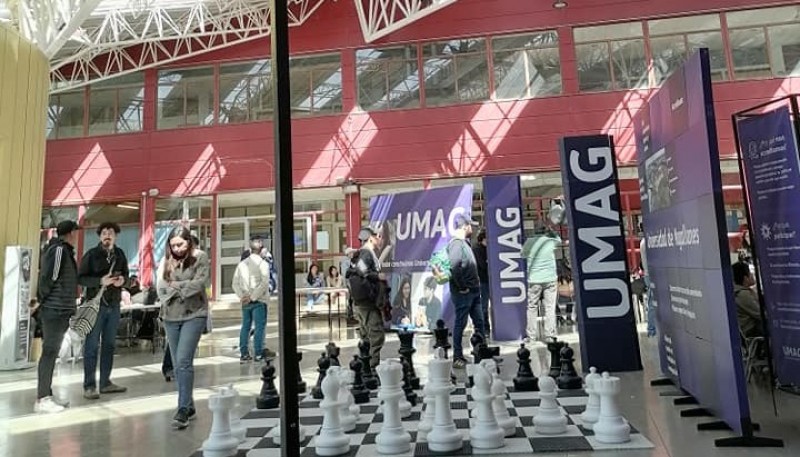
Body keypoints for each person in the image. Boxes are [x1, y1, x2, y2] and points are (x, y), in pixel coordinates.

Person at [157, 226, 210, 430]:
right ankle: (189, 405)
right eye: (173, 245)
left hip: (194, 314)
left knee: (183, 360)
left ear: (189, 242)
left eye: (180, 244)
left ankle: (182, 410)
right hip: (170, 315)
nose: (177, 249)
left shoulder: (200, 257)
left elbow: (200, 283)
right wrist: (180, 286)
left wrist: (178, 286)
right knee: (179, 365)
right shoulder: (166, 260)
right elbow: (161, 285)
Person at [78, 222, 129, 400]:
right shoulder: (91, 255)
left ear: (115, 236)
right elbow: (81, 278)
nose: (107, 235)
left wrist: (122, 280)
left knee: (109, 345)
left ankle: (106, 382)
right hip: (95, 305)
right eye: (104, 233)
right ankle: (89, 385)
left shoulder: (120, 254)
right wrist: (101, 281)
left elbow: (127, 276)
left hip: (113, 305)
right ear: (100, 236)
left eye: (111, 233)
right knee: (91, 346)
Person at [35, 220, 81, 414]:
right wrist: (42, 300)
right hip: (54, 309)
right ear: (70, 233)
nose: (77, 236)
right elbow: (49, 278)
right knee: (49, 352)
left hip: (61, 309)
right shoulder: (59, 251)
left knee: (52, 353)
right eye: (76, 233)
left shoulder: (66, 251)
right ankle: (42, 398)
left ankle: (47, 395)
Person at [433, 214, 485, 369]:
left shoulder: (463, 243)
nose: (473, 228)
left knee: (479, 323)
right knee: (460, 324)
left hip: (473, 291)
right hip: (464, 293)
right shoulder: (456, 244)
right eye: (471, 225)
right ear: (465, 226)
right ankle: (457, 356)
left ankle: (482, 354)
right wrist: (462, 287)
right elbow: (455, 267)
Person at [347, 226, 384, 370]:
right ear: (371, 238)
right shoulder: (366, 254)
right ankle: (371, 367)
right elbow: (361, 270)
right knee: (376, 335)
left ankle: (365, 366)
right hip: (367, 303)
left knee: (366, 335)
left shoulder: (360, 254)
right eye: (378, 236)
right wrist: (377, 276)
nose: (380, 239)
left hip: (361, 302)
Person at [232, 238, 271, 363]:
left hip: (245, 302)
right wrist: (253, 297)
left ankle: (244, 353)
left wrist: (242, 296)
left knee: (246, 327)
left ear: (250, 249)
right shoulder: (263, 264)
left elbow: (235, 283)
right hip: (259, 301)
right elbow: (264, 283)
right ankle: (258, 353)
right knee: (259, 327)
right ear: (261, 249)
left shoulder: (242, 264)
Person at [522, 223, 562, 342]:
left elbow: (522, 255)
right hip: (550, 279)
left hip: (534, 279)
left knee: (532, 307)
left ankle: (531, 336)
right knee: (550, 307)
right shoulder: (550, 241)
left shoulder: (529, 242)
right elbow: (559, 240)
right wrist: (552, 232)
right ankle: (550, 335)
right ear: (545, 232)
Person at [732, 261, 764, 339]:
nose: (752, 275)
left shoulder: (740, 291)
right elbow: (761, 314)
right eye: (750, 273)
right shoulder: (743, 295)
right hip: (752, 333)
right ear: (745, 278)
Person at [473, 228, 491, 336]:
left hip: (484, 280)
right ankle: (484, 328)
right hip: (484, 280)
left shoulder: (479, 249)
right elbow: (483, 265)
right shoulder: (478, 249)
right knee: (484, 306)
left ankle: (485, 328)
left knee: (483, 305)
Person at [639, 225, 656, 337]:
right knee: (652, 302)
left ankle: (652, 328)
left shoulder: (643, 242)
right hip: (650, 275)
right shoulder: (646, 242)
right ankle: (651, 329)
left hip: (648, 274)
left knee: (652, 301)